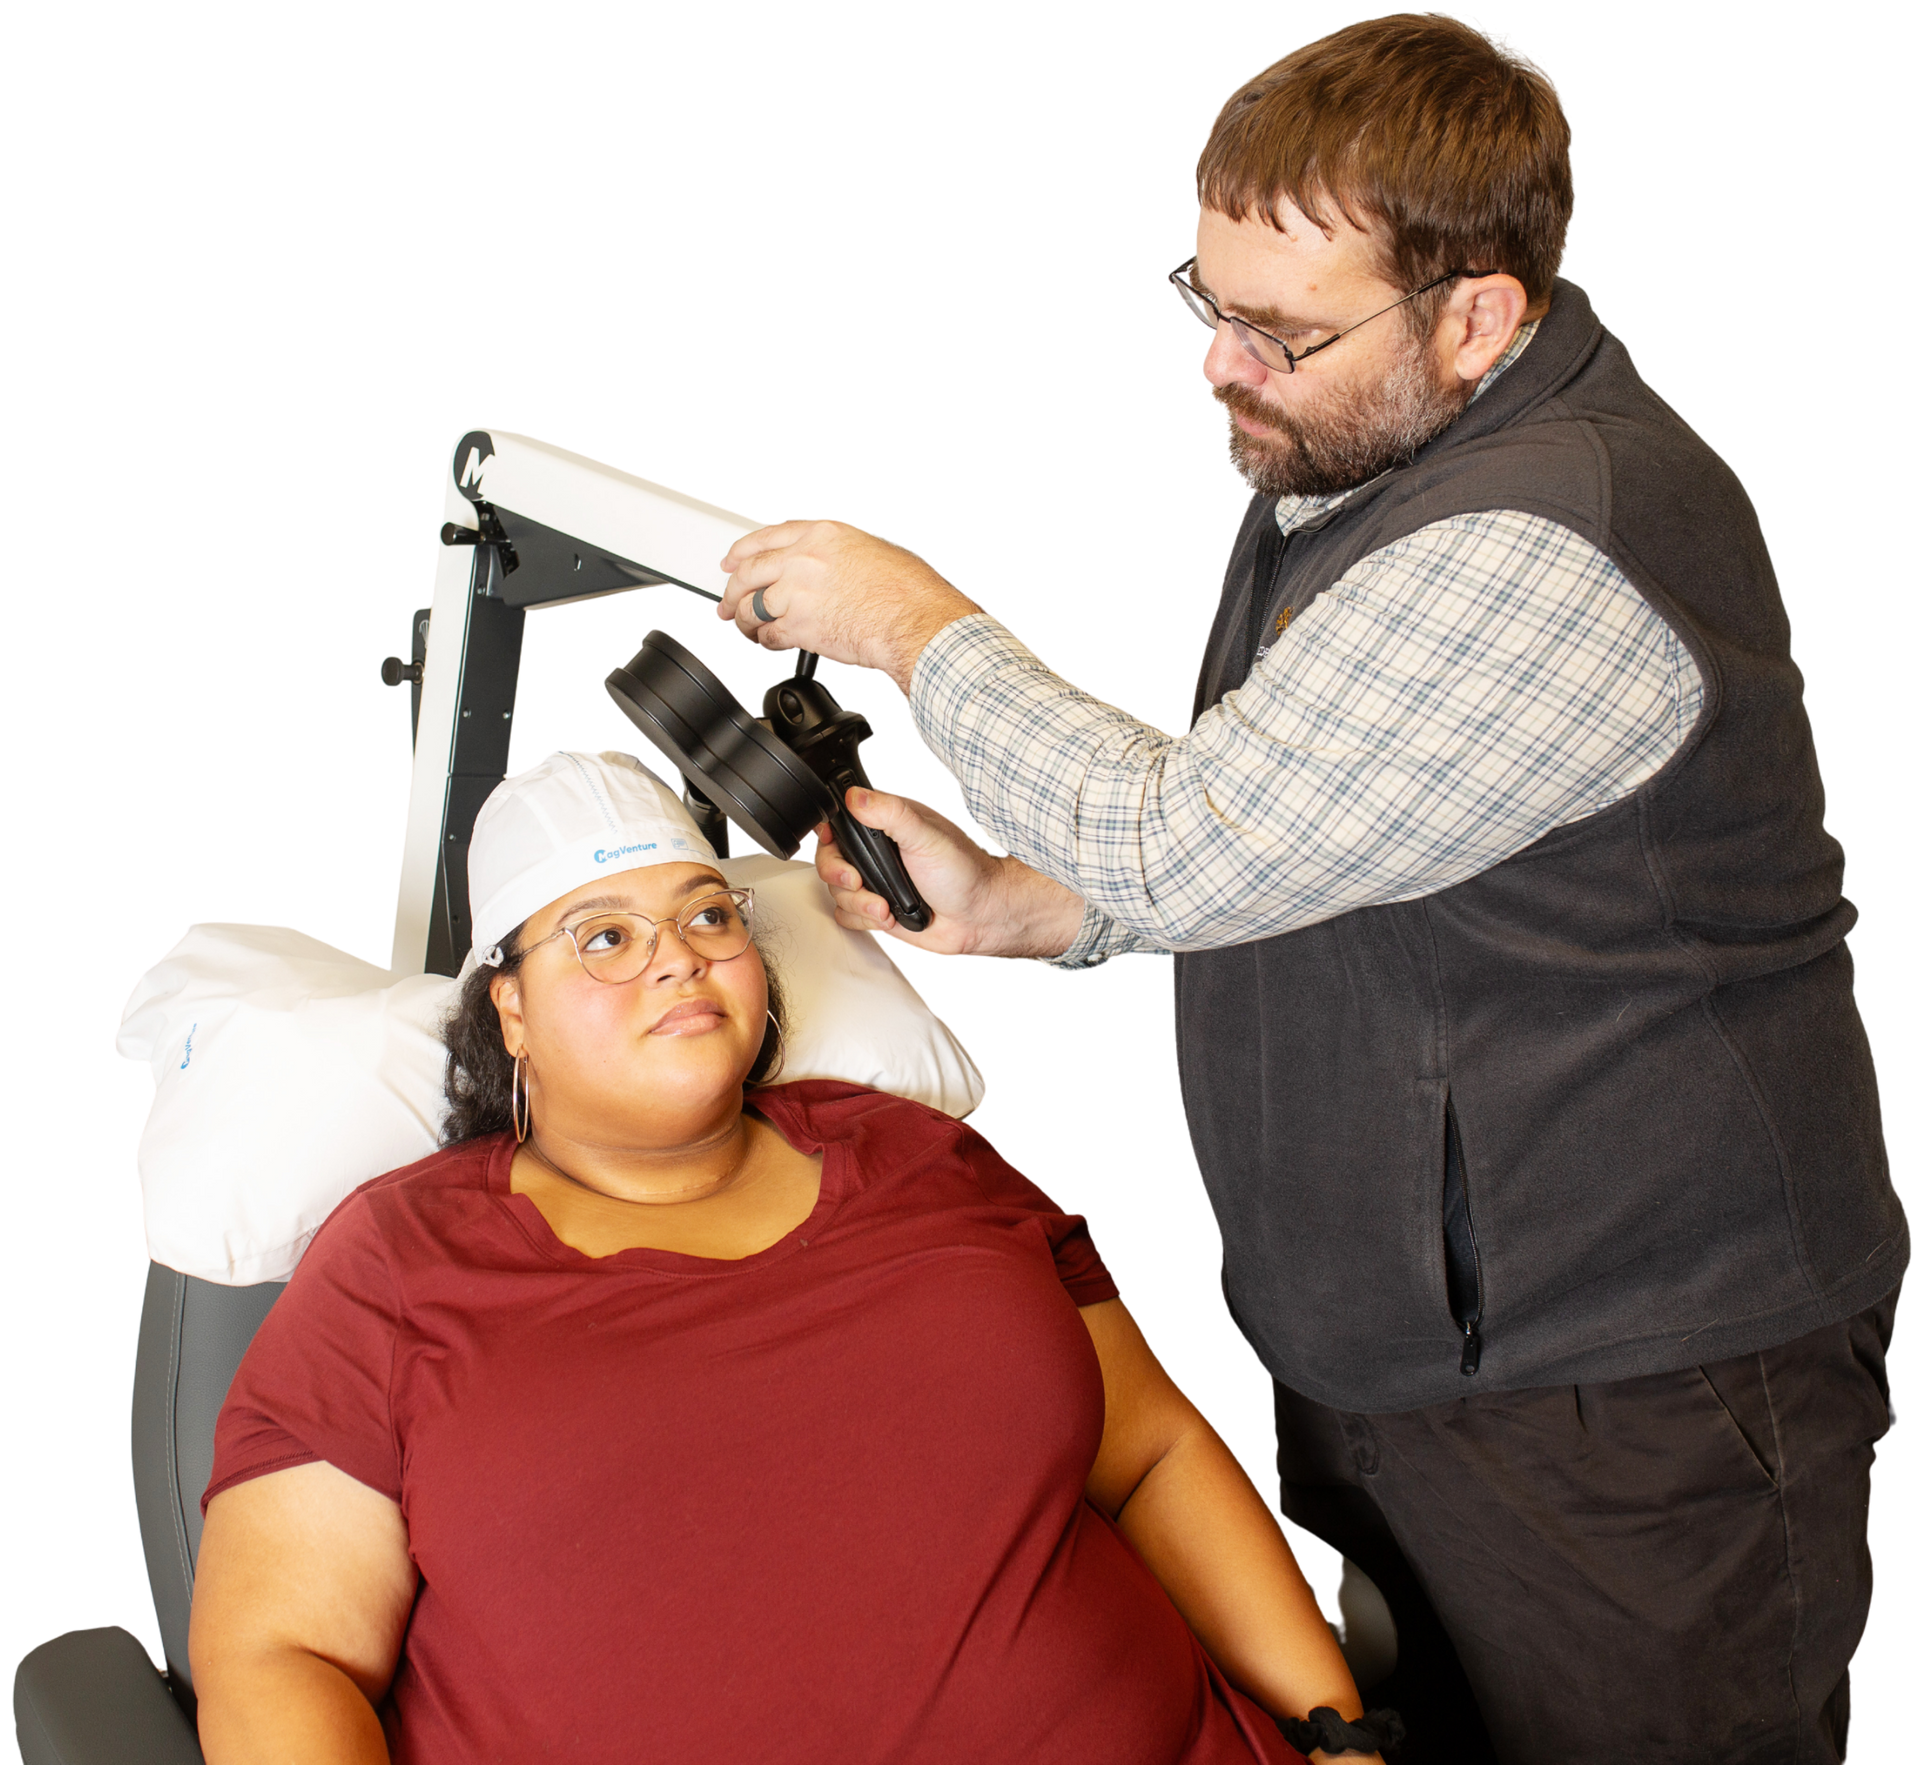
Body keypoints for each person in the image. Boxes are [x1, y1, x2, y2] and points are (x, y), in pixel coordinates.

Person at [707, 15, 1904, 1764]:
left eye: (1278, 333)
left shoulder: (1547, 539)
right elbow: (1313, 824)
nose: (1222, 366)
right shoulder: (1361, 442)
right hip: (1394, 1348)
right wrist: (1048, 909)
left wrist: (911, 626)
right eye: (1208, 307)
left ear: (1478, 315)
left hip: (1630, 1397)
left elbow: (1182, 834)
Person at [187, 749, 1390, 1765]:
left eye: (708, 915)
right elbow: (279, 1649)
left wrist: (1334, 1736)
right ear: (509, 1010)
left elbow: (1153, 1455)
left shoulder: (923, 1160)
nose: (676, 956)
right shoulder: (399, 1262)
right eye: (603, 937)